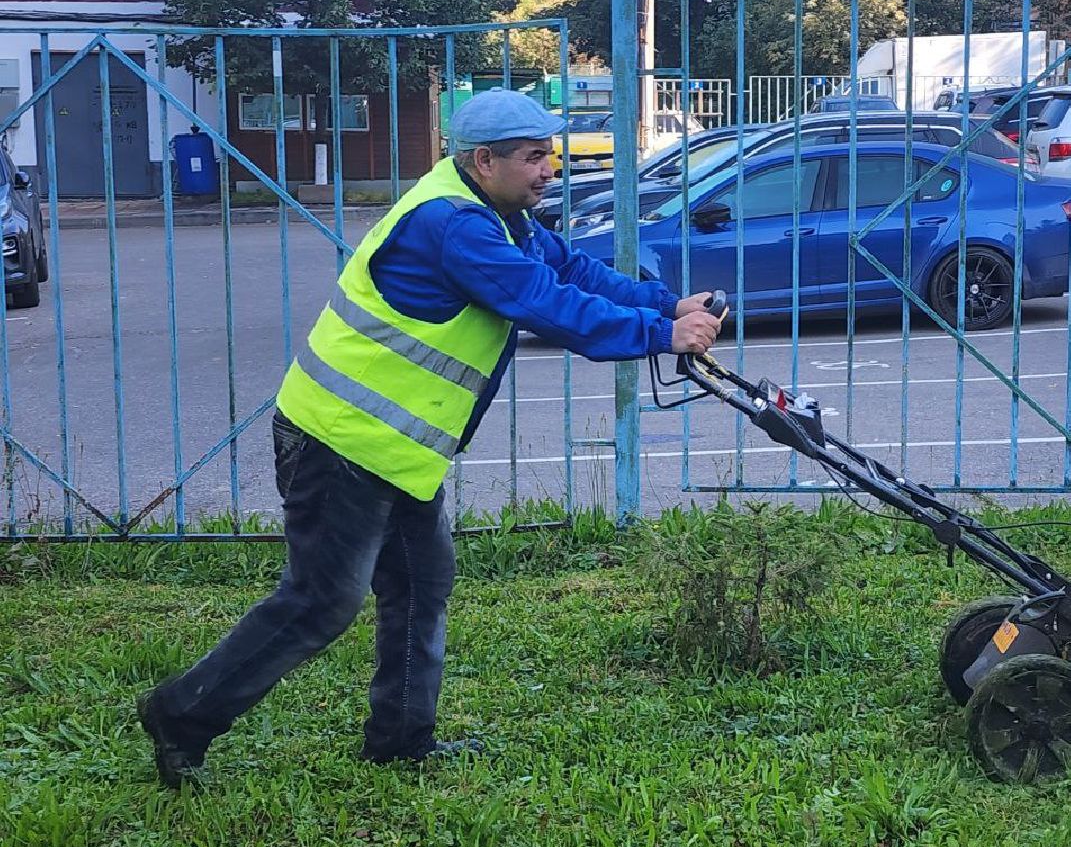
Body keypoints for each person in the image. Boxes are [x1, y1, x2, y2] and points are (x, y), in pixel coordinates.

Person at [136, 88, 722, 787]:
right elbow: (544, 304)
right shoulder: (456, 227)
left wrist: (665, 303)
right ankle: (180, 715)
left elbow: (568, 269)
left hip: (397, 451)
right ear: (483, 160)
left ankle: (401, 740)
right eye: (534, 157)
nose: (550, 169)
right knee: (321, 602)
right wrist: (662, 334)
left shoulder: (498, 215)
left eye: (550, 155)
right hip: (342, 441)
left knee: (419, 584)